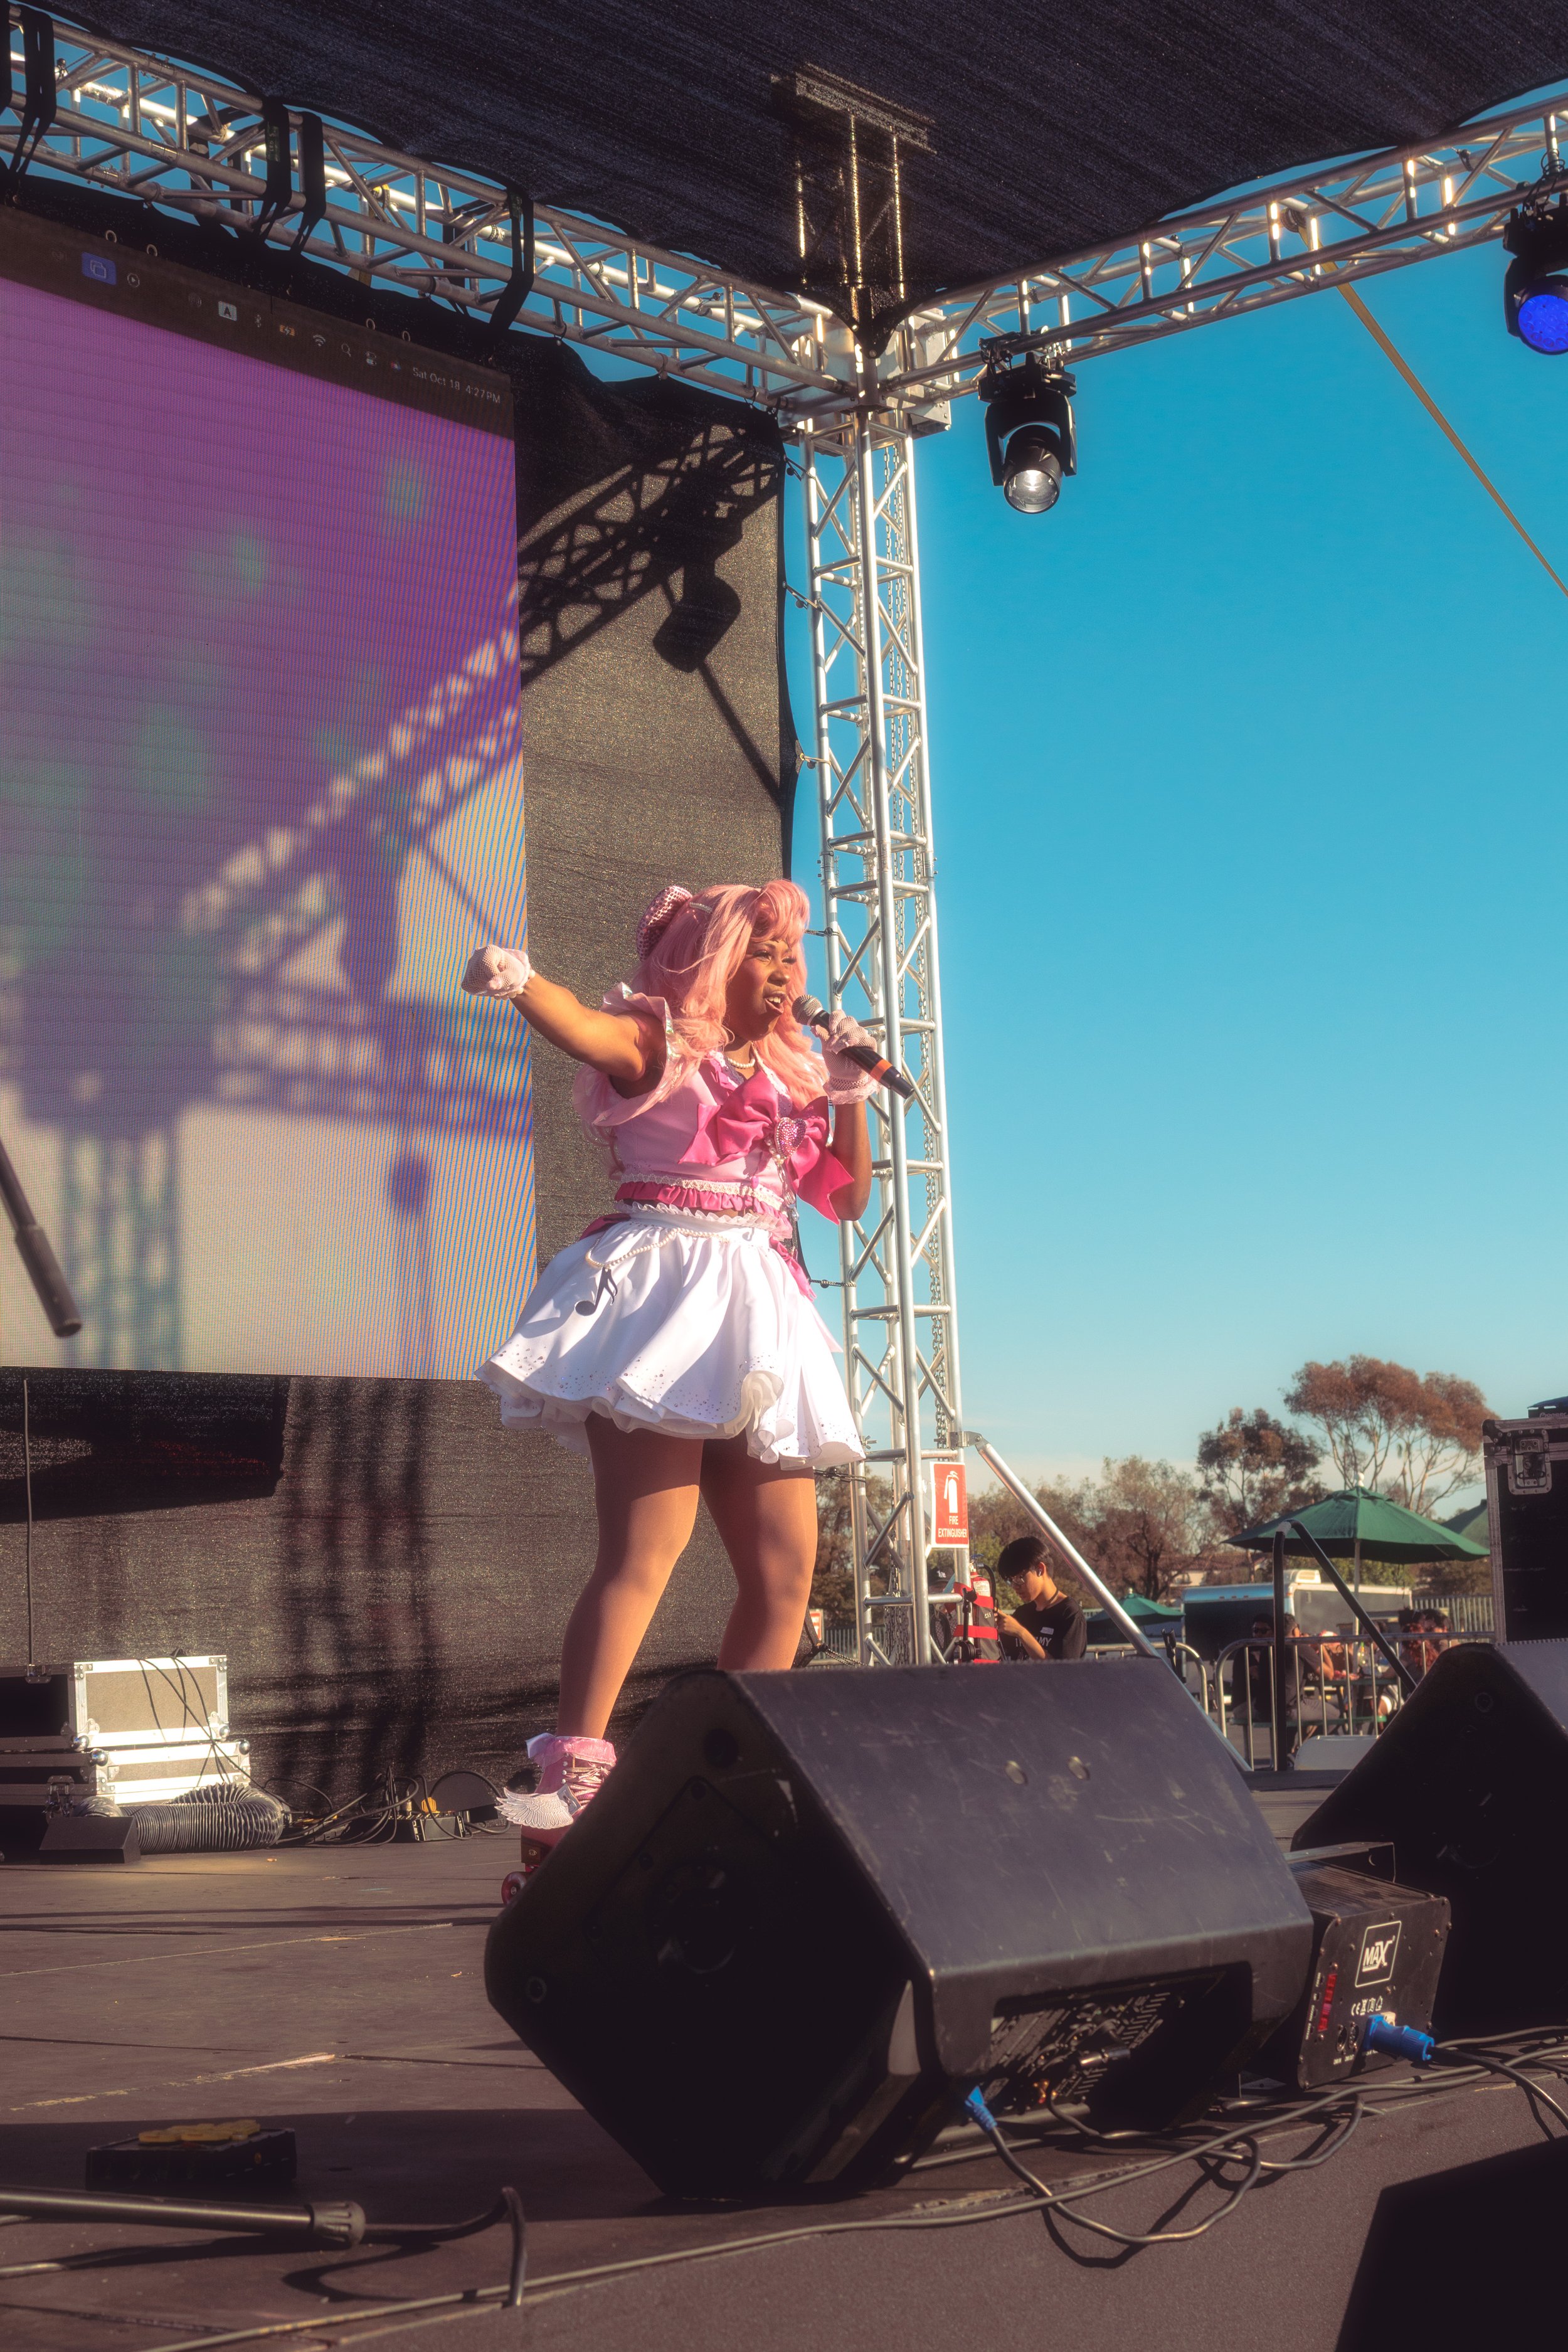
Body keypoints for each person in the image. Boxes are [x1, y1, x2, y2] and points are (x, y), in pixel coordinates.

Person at [462, 880, 874, 1871]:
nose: (783, 974)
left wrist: (851, 1088)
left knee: (784, 1575)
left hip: (762, 1309)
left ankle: (721, 1774)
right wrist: (522, 982)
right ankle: (573, 1774)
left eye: (790, 959)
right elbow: (583, 1031)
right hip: (667, 1295)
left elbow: (847, 1197)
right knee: (648, 1549)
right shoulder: (662, 1047)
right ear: (712, 962)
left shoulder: (794, 1078)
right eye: (763, 954)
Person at [994, 1536, 1088, 1661]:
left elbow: (1064, 1672)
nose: (1015, 1587)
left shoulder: (1070, 1613)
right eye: (1011, 1581)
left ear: (1040, 1569)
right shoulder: (1023, 1613)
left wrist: (1021, 1633)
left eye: (1019, 1579)